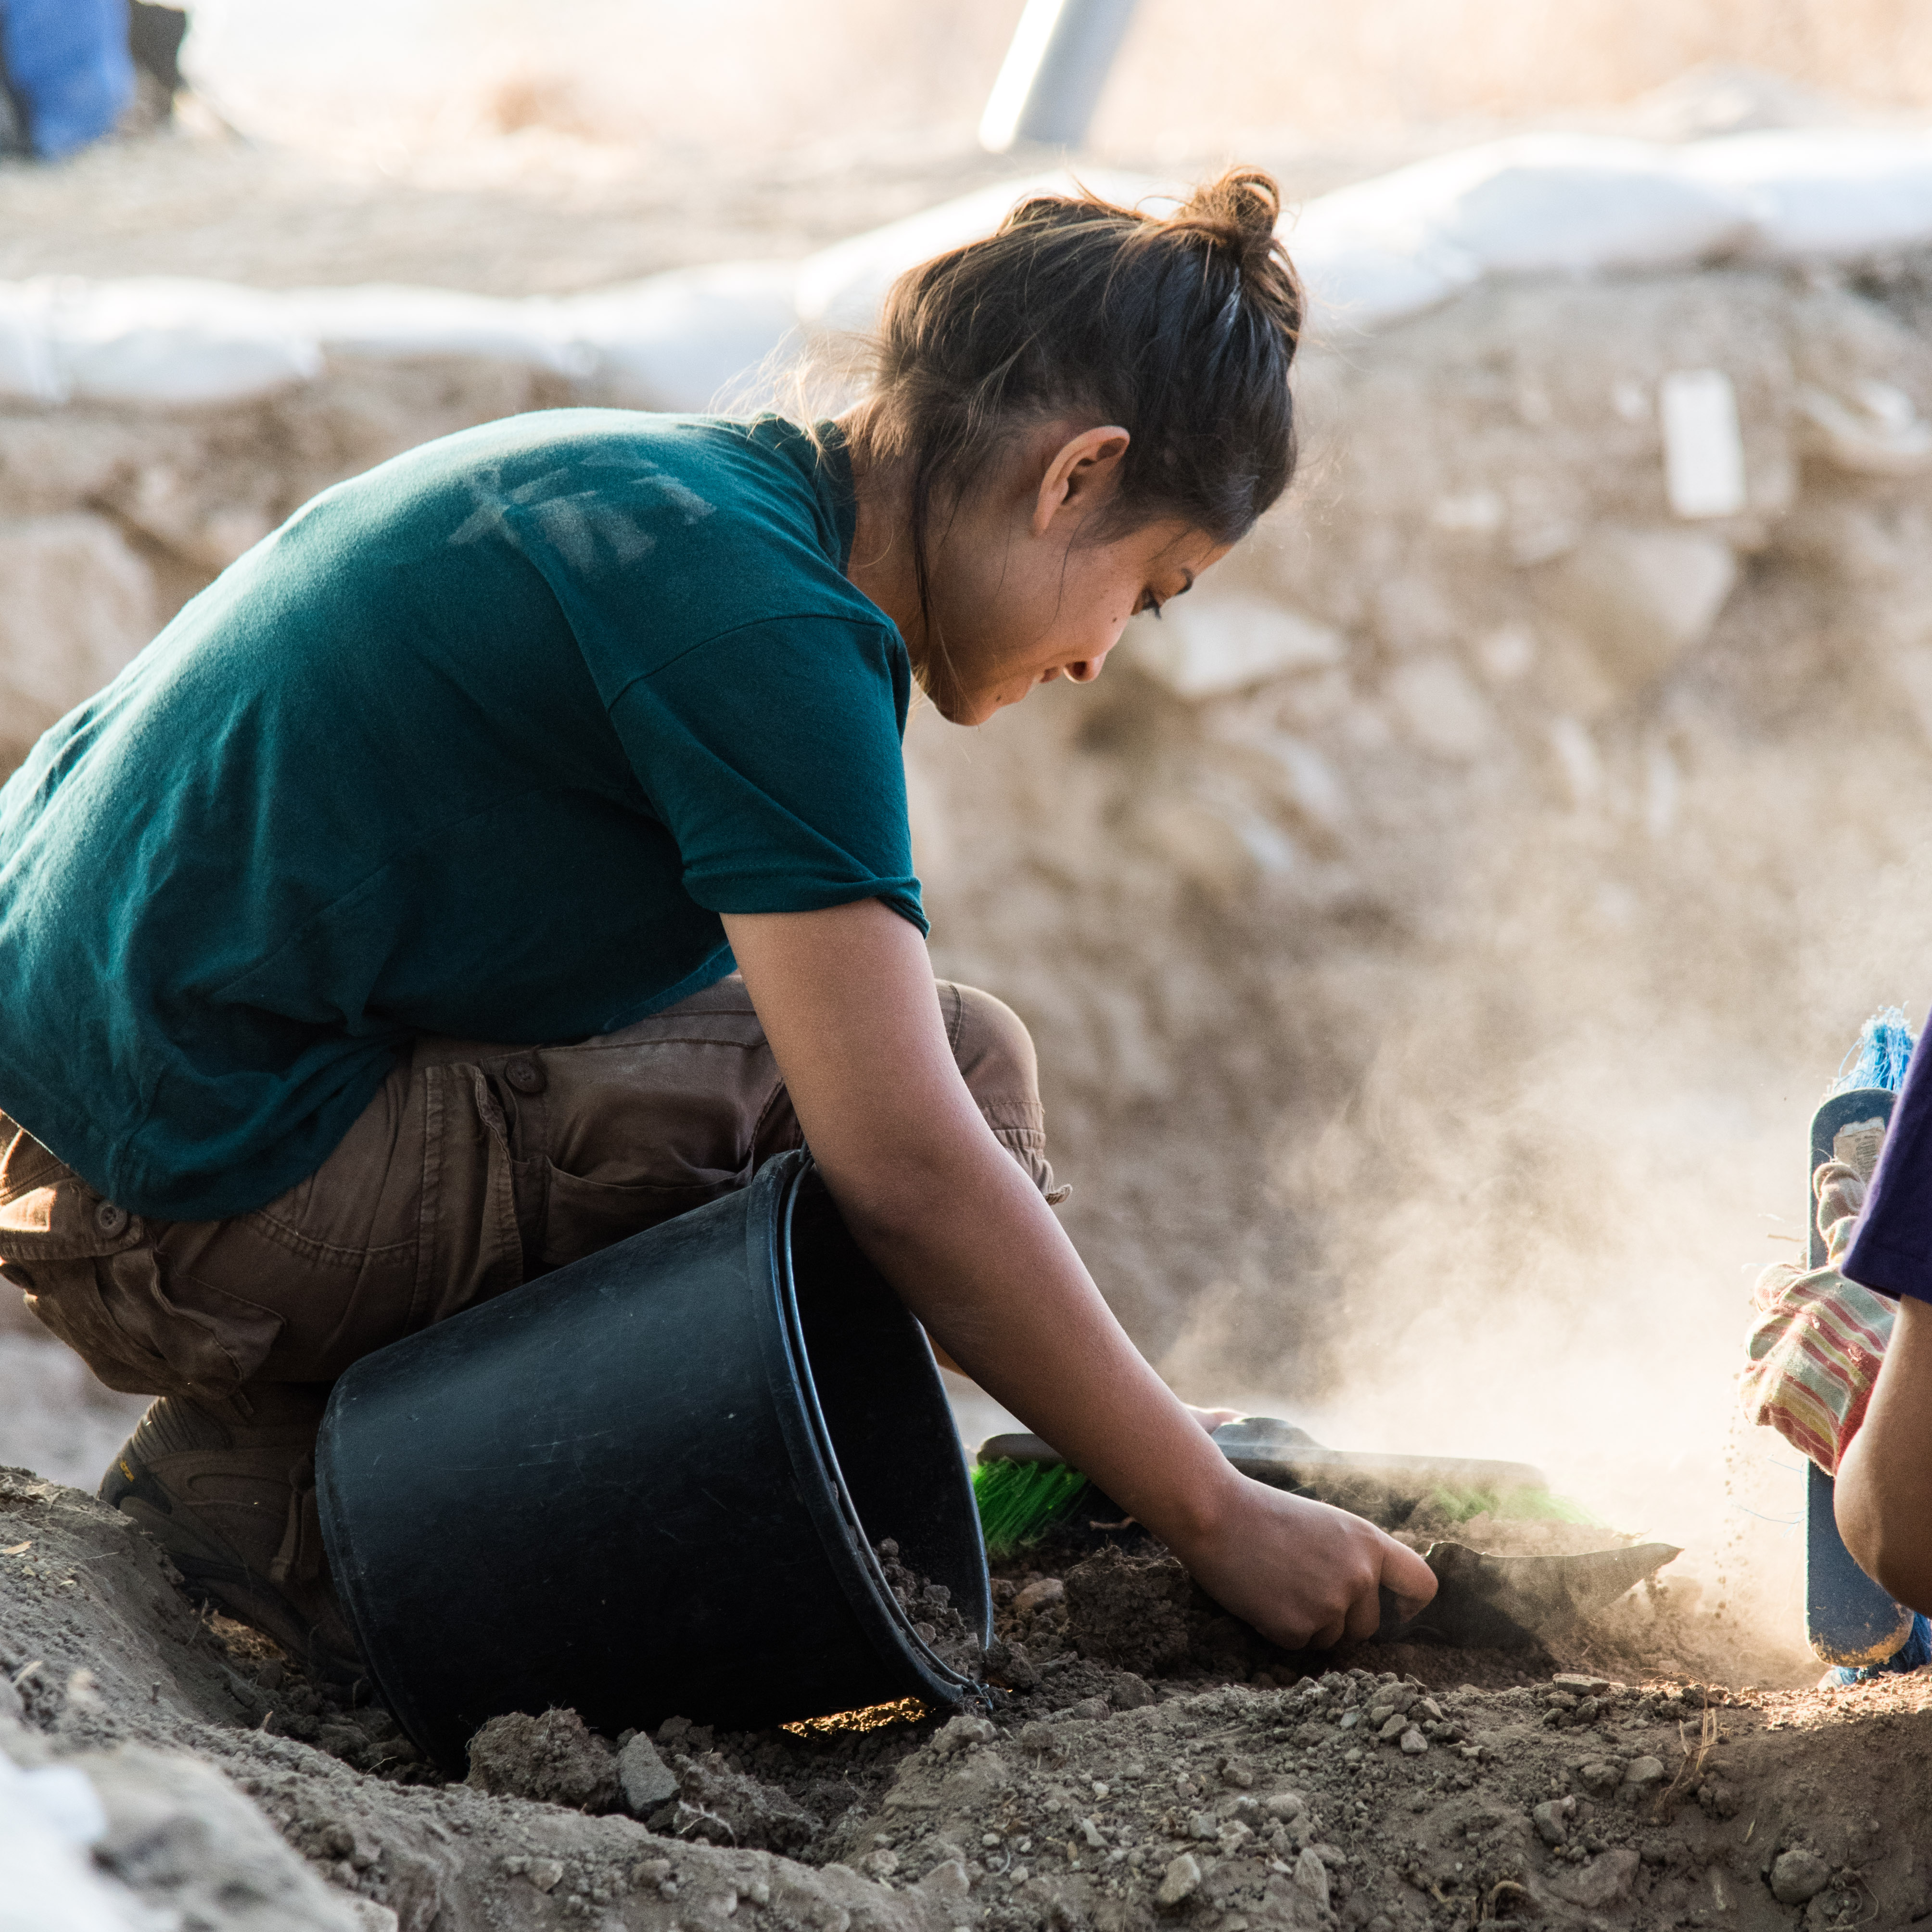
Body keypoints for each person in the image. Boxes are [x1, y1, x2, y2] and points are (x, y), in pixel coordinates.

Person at [0, 168, 1436, 1686]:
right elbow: (897, 1165)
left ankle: (280, 1451)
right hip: (187, 1200)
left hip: (112, 1121)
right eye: (1150, 593)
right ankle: (311, 1511)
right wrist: (1210, 1516)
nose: (1099, 659)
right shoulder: (769, 632)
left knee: (957, 1055)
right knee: (868, 1121)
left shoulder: (697, 502)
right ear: (1076, 477)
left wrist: (1129, 1422)